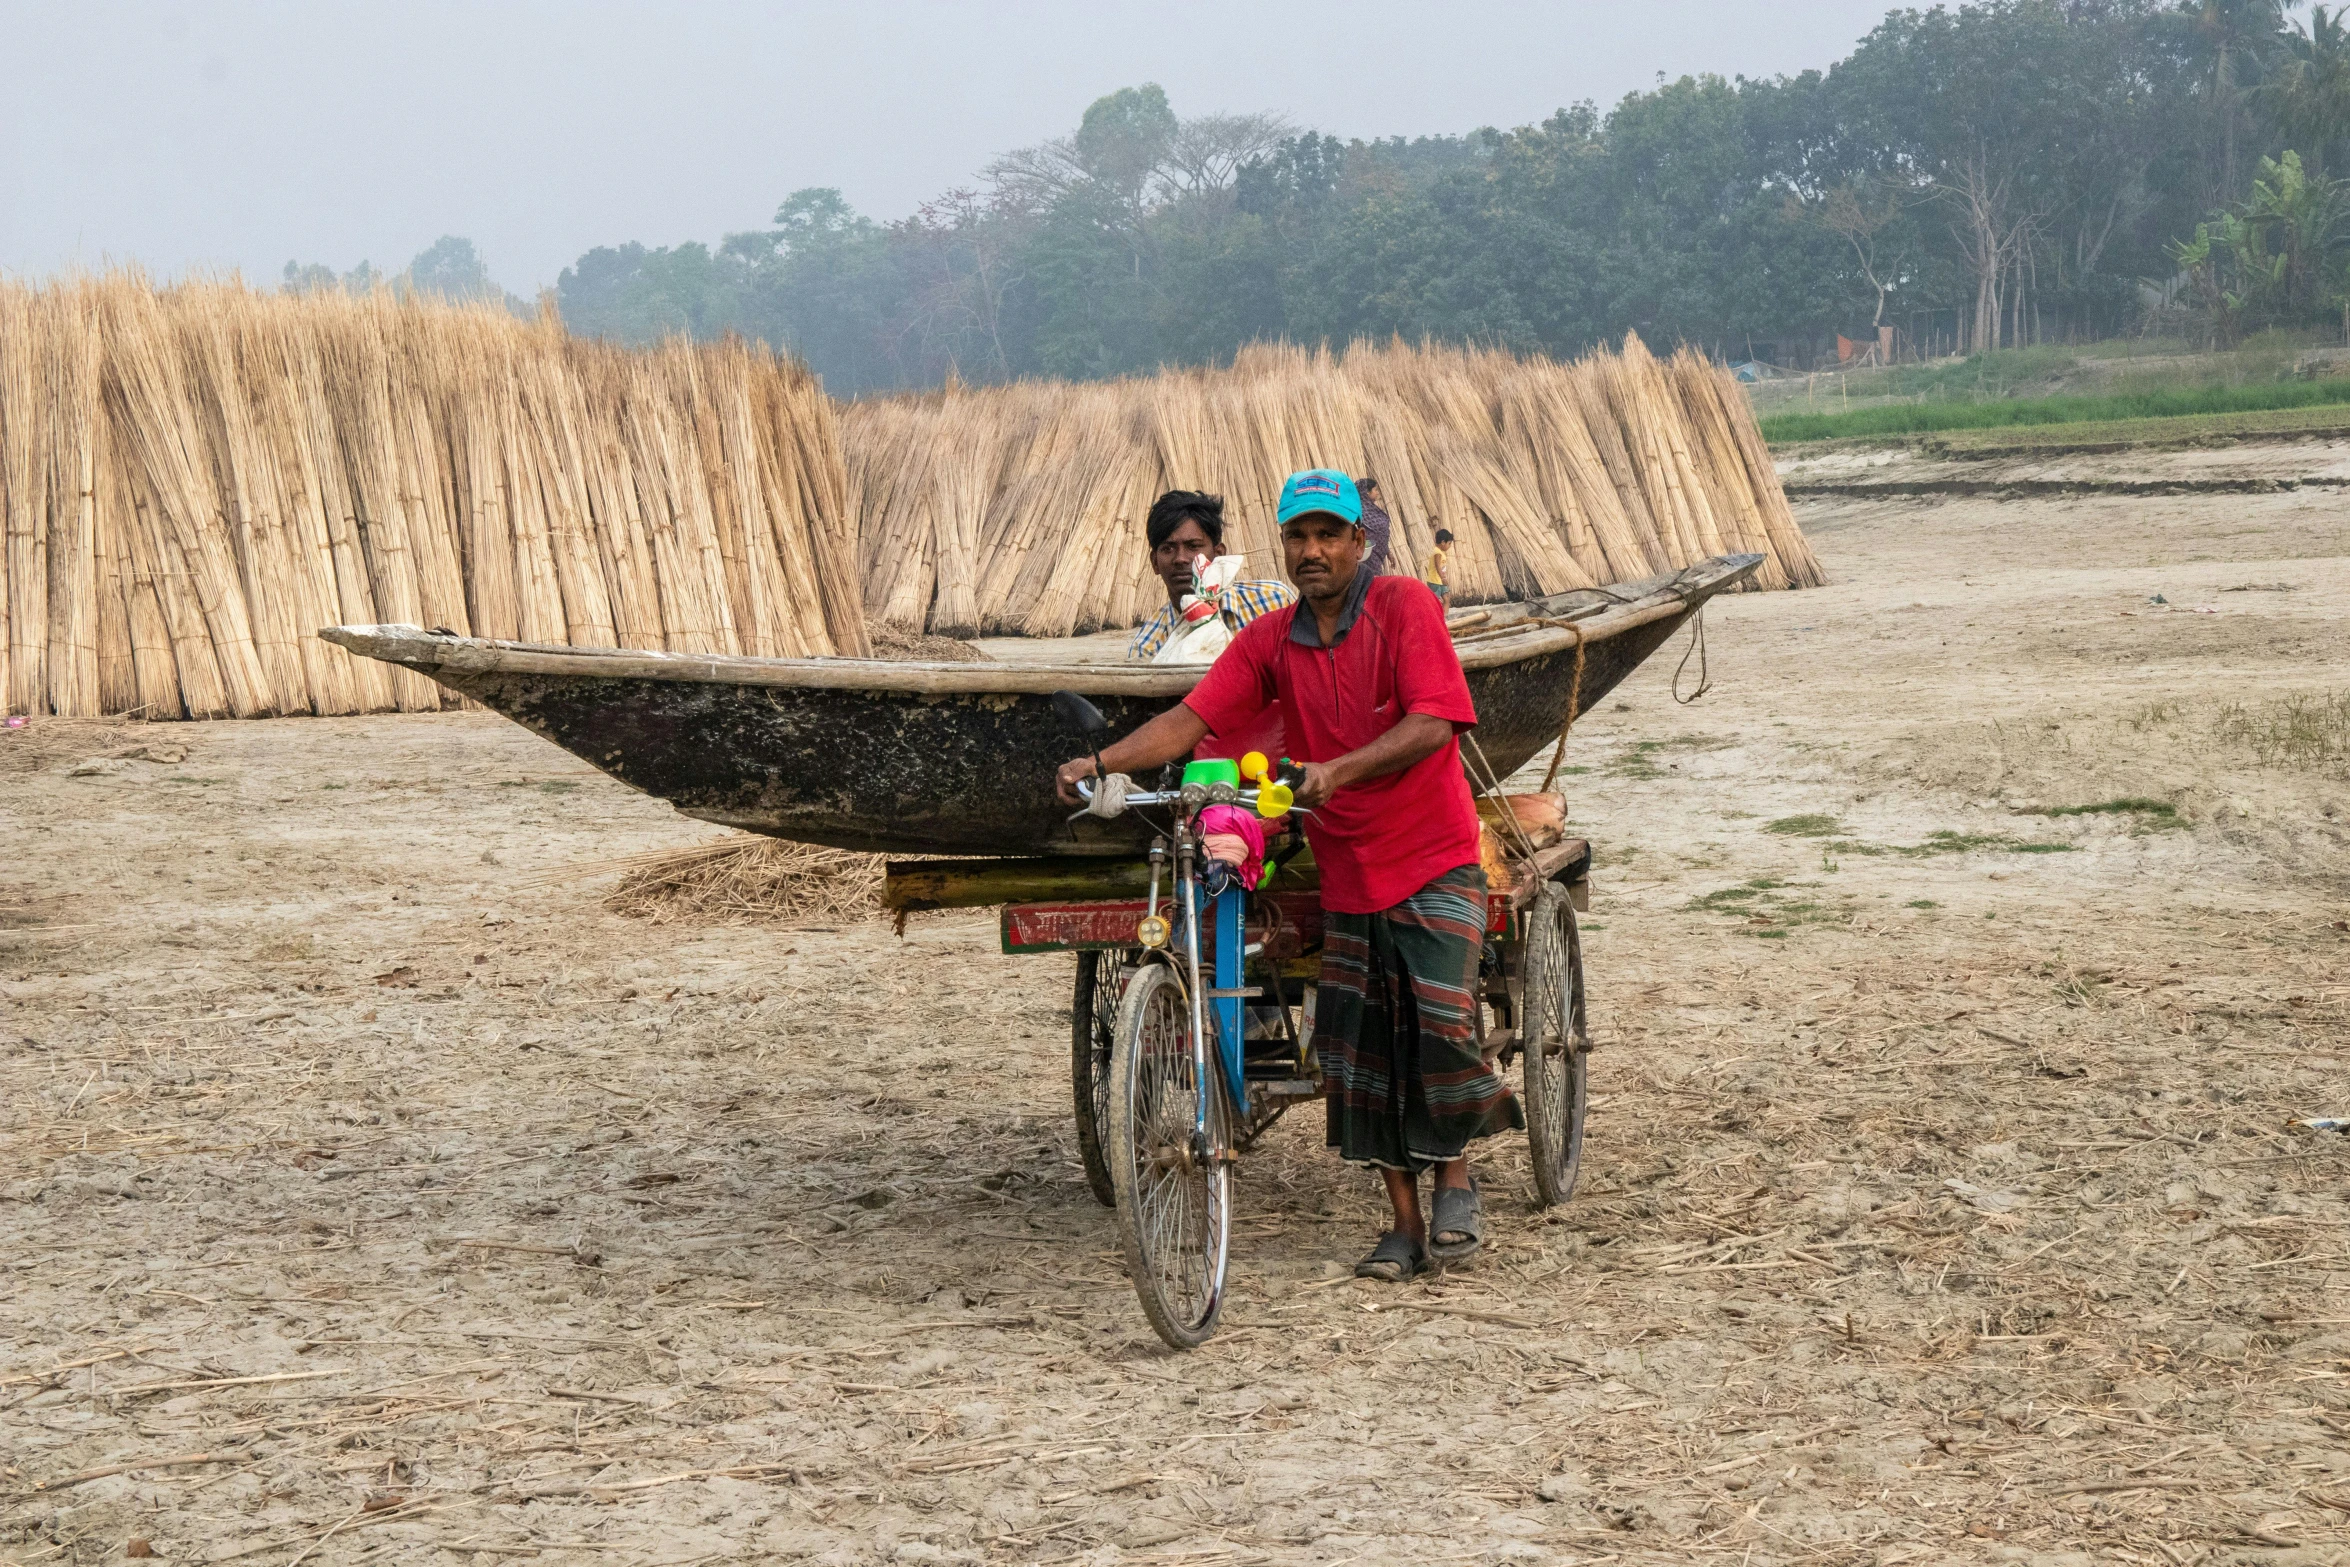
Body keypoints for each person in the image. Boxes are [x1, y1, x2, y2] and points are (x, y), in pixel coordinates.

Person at [1057, 469, 1519, 1281]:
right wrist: (1100, 760)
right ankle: (1404, 1228)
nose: (1311, 551)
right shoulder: (1273, 639)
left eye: (1326, 535)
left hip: (1433, 852)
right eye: (1297, 537)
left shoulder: (1406, 605)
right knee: (1362, 1052)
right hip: (1351, 867)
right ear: (1284, 546)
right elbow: (1192, 717)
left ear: (1357, 542)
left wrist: (1337, 772)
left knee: (1440, 1025)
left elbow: (1433, 721)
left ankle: (1457, 1179)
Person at [1127, 490, 1295, 661]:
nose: (1180, 559)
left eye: (1193, 546)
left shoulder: (1275, 601)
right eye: (1168, 549)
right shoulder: (1148, 648)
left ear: (1219, 554)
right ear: (1155, 562)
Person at [1355, 476, 1394, 577]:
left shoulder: (1373, 510)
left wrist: (1388, 552)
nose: (1377, 493)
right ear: (1367, 492)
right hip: (1366, 555)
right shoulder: (1358, 511)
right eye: (1375, 490)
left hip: (1377, 555)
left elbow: (1379, 535)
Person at [1424, 527, 1454, 606]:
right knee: (1436, 600)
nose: (1450, 546)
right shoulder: (1437, 552)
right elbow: (1437, 566)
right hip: (1435, 581)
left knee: (1446, 598)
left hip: (1439, 580)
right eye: (1449, 543)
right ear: (1443, 542)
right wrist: (1443, 578)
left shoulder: (1441, 552)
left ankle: (1444, 616)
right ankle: (1439, 616)